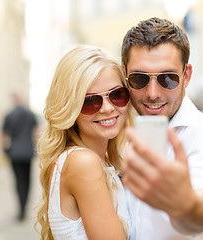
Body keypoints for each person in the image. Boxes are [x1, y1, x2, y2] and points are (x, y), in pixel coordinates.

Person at [121, 17, 203, 240]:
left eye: (168, 79)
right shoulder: (122, 137)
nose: (152, 93)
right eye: (139, 79)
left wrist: (184, 205)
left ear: (186, 76)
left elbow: (200, 211)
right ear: (125, 76)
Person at [36, 45, 135, 240]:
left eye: (117, 95)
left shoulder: (99, 160)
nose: (107, 108)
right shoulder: (83, 162)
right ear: (70, 108)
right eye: (90, 101)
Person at [2, 89, 38, 221]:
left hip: (15, 153)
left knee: (18, 181)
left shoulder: (9, 115)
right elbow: (36, 132)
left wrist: (4, 149)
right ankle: (24, 206)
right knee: (27, 181)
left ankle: (21, 208)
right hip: (27, 152)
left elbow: (4, 135)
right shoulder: (30, 114)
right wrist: (37, 147)